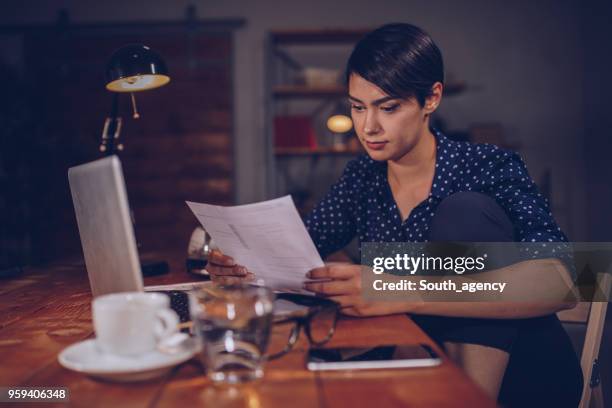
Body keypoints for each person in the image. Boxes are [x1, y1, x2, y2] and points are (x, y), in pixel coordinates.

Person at [207, 23, 583, 407]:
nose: (368, 127)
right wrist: (245, 262)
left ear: (432, 98)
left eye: (388, 107)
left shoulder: (487, 165)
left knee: (463, 212)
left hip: (524, 381)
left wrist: (395, 289)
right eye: (357, 107)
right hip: (423, 364)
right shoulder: (363, 178)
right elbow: (299, 247)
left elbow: (564, 281)